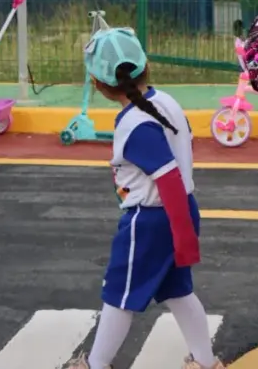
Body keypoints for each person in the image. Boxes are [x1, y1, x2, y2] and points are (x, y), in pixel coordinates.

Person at [66, 28, 223, 369]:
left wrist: (182, 236)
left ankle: (95, 364)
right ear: (146, 65)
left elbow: (168, 179)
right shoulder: (165, 102)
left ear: (98, 84)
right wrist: (183, 231)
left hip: (152, 218)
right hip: (175, 213)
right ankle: (205, 362)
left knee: (119, 295)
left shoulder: (136, 124)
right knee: (178, 292)